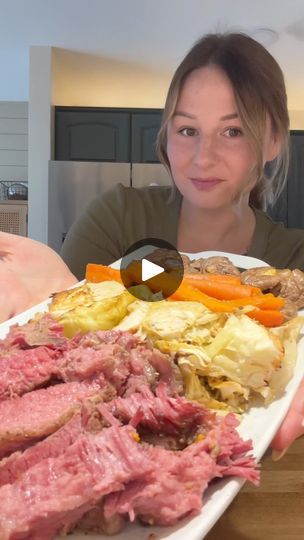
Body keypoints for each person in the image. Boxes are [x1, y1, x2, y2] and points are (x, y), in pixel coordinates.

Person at [0, 32, 304, 457]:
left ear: (272, 140)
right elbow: (69, 309)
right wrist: (56, 301)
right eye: (187, 129)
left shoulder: (292, 263)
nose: (203, 157)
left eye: (232, 131)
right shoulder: (119, 218)